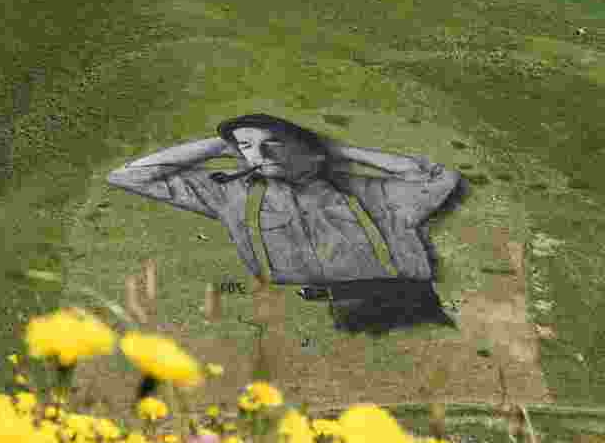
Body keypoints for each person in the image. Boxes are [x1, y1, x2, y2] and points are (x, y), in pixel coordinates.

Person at [106, 113, 467, 333]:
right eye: (247, 146)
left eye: (275, 143)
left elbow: (440, 178)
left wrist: (339, 151)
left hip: (409, 312)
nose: (260, 153)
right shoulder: (233, 196)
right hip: (303, 323)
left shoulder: (371, 193)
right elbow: (129, 177)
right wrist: (218, 146)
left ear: (306, 149)